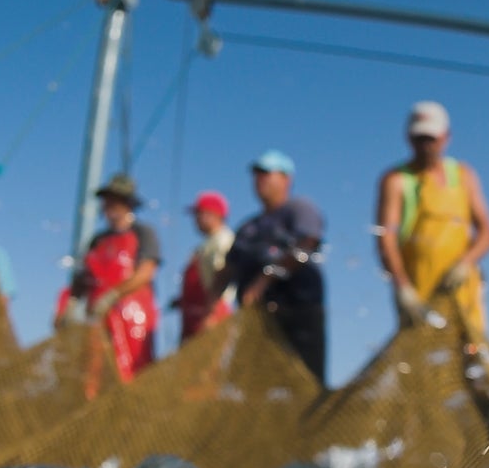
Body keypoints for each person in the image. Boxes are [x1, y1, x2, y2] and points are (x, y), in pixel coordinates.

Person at [375, 101, 489, 332]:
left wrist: (465, 262)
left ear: (446, 137)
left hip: (462, 288)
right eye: (419, 139)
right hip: (418, 291)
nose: (425, 146)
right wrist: (401, 287)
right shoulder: (397, 179)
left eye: (431, 138)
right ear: (408, 139)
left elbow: (487, 232)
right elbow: (386, 239)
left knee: (469, 354)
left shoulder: (463, 176)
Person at [218, 149, 327, 385]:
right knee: (254, 387)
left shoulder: (299, 209)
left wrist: (264, 279)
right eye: (257, 175)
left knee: (302, 383)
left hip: (298, 315)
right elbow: (228, 269)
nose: (260, 180)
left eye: (267, 174)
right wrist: (207, 305)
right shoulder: (247, 227)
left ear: (287, 179)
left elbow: (307, 245)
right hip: (256, 322)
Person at [55, 172, 159, 382]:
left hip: (132, 318)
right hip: (97, 320)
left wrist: (113, 295)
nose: (109, 206)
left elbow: (146, 272)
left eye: (115, 201)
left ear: (127, 204)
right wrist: (71, 304)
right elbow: (81, 279)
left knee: (130, 374)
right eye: (107, 201)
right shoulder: (97, 240)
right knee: (93, 374)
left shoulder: (143, 233)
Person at [170, 190, 235, 344]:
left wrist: (211, 315)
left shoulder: (222, 241)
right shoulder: (205, 246)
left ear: (212, 214)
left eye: (198, 214)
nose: (195, 220)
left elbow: (222, 277)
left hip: (211, 315)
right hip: (194, 318)